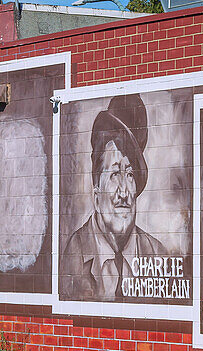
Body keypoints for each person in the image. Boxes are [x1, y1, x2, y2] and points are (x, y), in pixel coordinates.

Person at [61, 93, 173, 302]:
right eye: (114, 174)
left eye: (130, 175)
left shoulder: (159, 255)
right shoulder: (73, 255)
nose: (124, 193)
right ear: (96, 192)